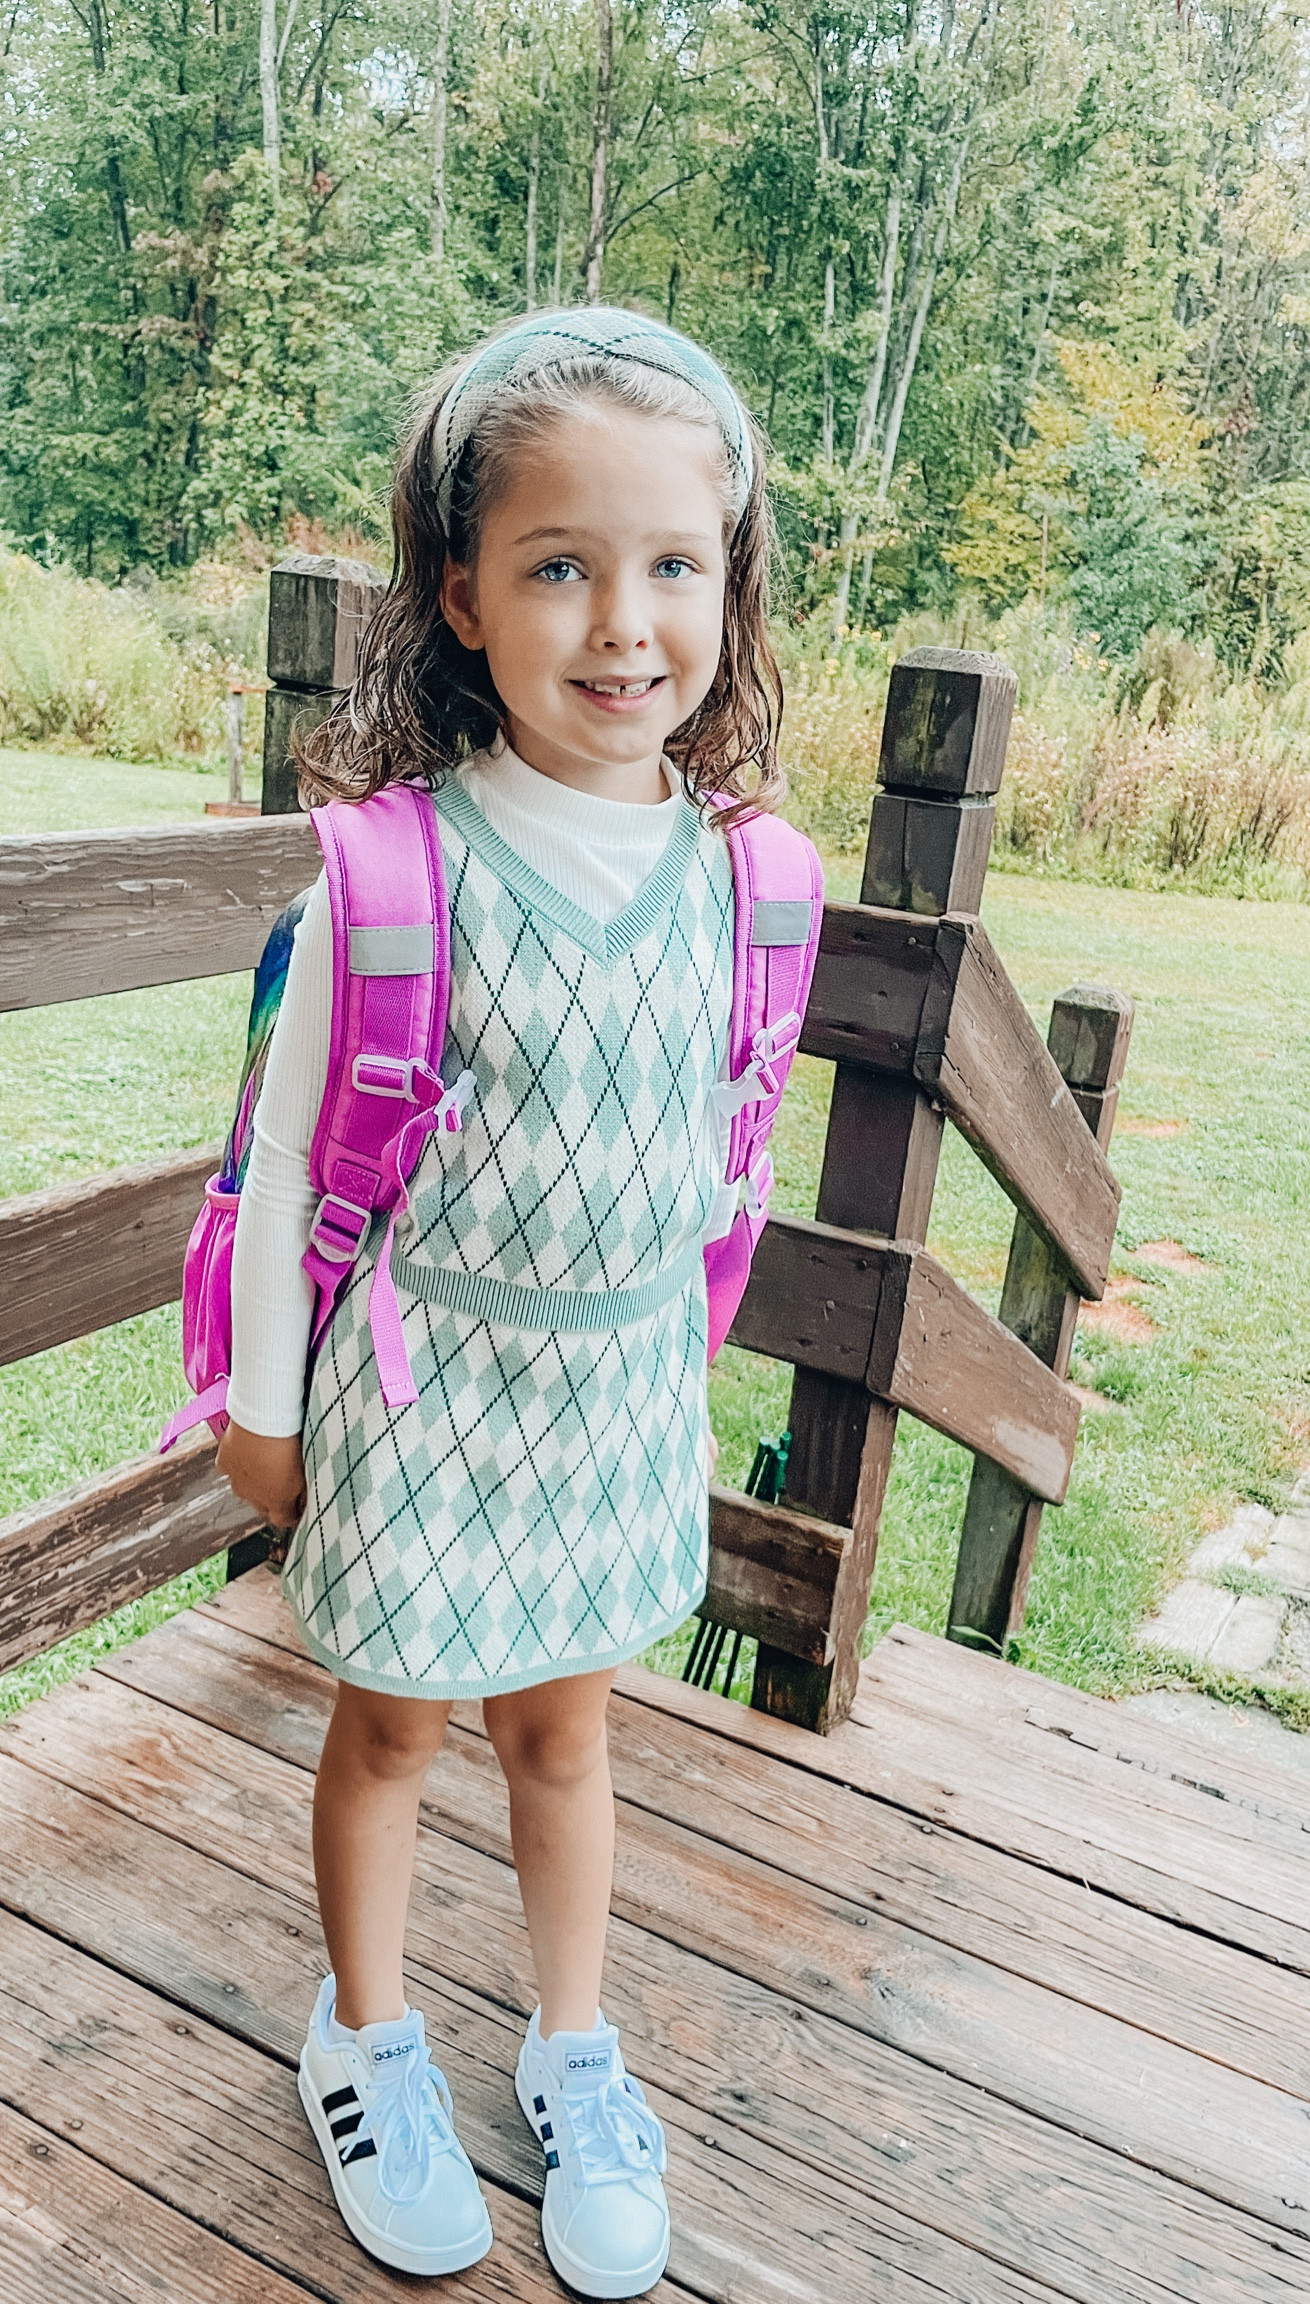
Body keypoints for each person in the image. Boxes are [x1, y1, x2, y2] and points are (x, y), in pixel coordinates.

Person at [215, 307, 784, 2297]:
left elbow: (729, 1139)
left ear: (728, 587)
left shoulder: (744, 885)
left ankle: (571, 2046)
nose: (623, 623)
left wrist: (683, 1352)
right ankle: (363, 2037)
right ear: (461, 595)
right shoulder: (387, 884)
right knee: (391, 1730)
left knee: (567, 1735)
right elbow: (288, 1166)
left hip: (614, 1390)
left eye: (672, 566)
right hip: (423, 1381)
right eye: (560, 565)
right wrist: (266, 1411)